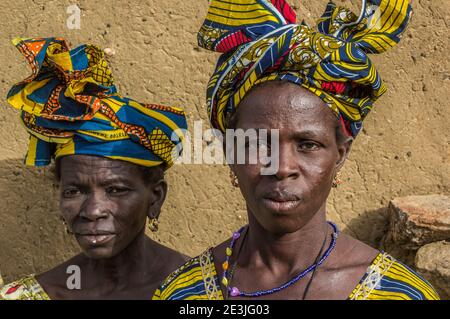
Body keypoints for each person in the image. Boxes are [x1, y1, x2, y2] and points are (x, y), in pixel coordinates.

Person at [153, 0, 440, 300]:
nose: (281, 167)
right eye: (259, 143)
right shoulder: (184, 294)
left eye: (307, 145)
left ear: (340, 155)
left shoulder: (400, 294)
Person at [0, 37, 188, 300]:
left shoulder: (205, 292)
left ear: (155, 197)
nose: (93, 211)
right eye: (74, 191)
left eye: (115, 189)